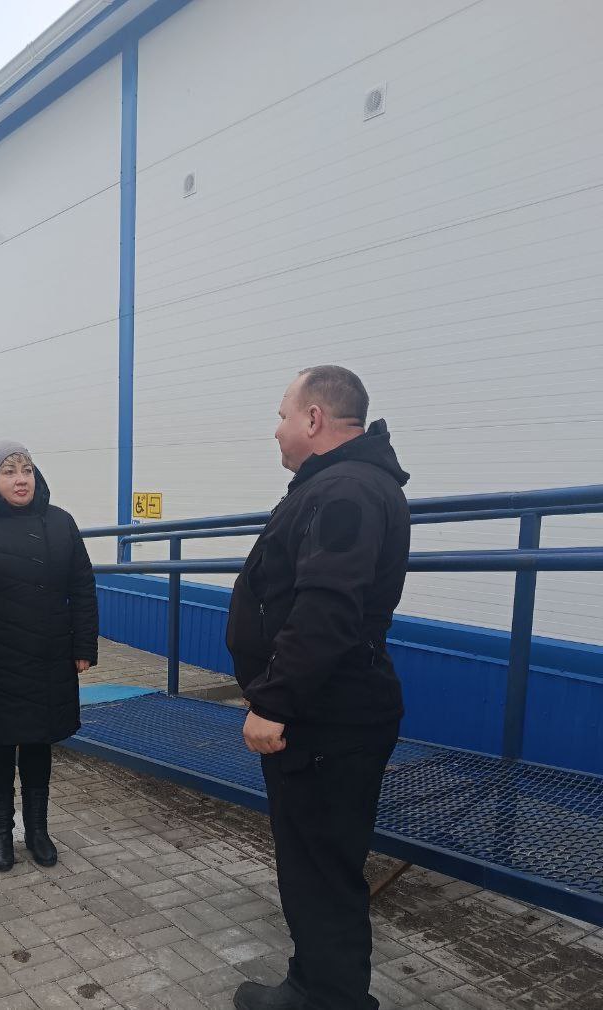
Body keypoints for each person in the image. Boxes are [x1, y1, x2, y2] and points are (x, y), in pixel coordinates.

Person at [226, 366, 411, 1010]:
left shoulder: (346, 490)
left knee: (320, 869)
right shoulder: (341, 484)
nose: (276, 430)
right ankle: (319, 987)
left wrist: (273, 701)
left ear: (313, 419)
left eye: (282, 415)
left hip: (326, 720)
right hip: (328, 712)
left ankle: (328, 997)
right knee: (317, 863)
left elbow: (328, 607)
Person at [0, 440, 98, 872]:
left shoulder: (60, 522)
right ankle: (0, 833)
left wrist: (83, 645)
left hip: (47, 653)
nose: (21, 480)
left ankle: (38, 831)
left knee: (38, 742)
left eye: (27, 470)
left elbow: (82, 586)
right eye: (9, 471)